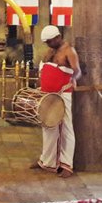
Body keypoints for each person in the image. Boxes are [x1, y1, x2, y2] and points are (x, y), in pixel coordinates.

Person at [31, 25, 81, 178]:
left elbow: (77, 71)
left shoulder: (69, 51)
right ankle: (47, 161)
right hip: (48, 95)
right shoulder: (49, 51)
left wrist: (73, 79)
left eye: (50, 41)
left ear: (58, 37)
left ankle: (67, 165)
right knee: (48, 127)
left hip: (63, 93)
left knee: (66, 128)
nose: (48, 45)